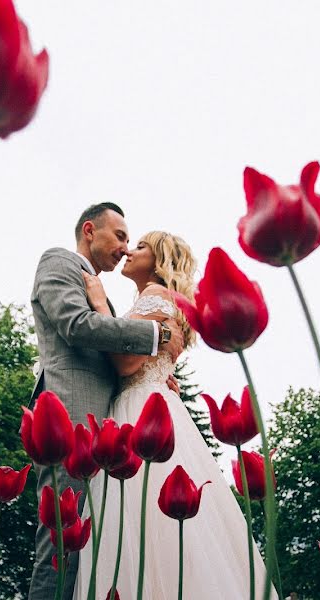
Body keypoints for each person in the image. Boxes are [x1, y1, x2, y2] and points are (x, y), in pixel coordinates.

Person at [73, 231, 274, 599]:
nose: (130, 251)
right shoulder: (155, 301)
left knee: (137, 523)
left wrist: (100, 305)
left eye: (141, 246)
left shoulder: (155, 295)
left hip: (139, 411)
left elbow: (126, 362)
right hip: (154, 406)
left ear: (161, 260)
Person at [28, 203, 184, 600]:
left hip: (106, 432)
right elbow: (77, 326)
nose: (125, 247)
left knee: (94, 548)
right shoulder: (59, 262)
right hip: (71, 421)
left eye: (132, 241)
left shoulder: (107, 297)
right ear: (89, 229)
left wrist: (157, 373)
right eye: (120, 236)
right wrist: (158, 339)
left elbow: (119, 361)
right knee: (62, 544)